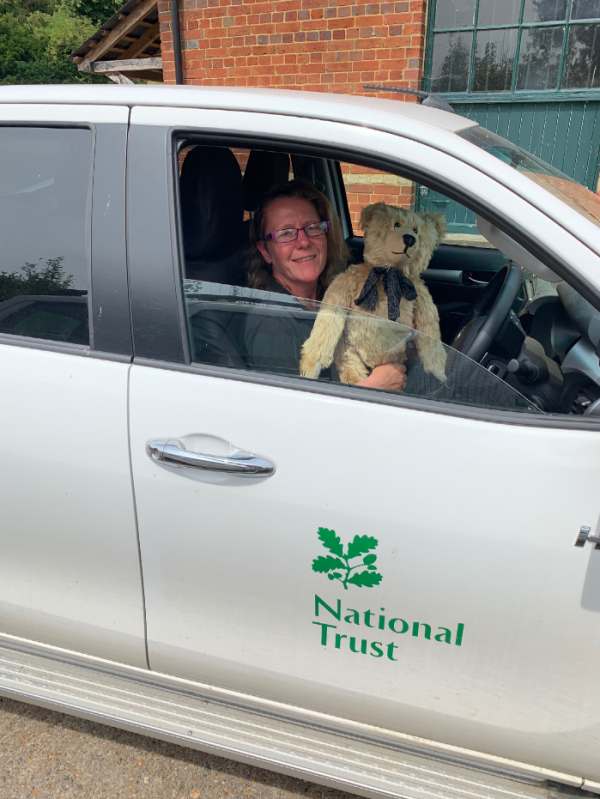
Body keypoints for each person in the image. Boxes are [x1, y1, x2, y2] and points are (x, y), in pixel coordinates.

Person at [246, 179, 407, 391]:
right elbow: (294, 418)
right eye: (286, 233)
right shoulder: (271, 324)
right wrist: (374, 388)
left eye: (312, 228)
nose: (303, 242)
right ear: (266, 251)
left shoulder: (330, 296)